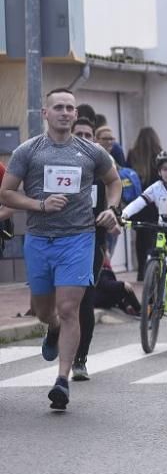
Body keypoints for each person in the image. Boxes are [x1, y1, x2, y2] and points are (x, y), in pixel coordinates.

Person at [0, 88, 121, 410]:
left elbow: (114, 181)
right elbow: (7, 194)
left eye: (70, 107)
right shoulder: (28, 151)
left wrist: (112, 208)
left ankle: (62, 380)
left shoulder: (90, 151)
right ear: (45, 113)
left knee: (69, 308)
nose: (65, 112)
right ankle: (50, 328)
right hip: (39, 239)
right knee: (45, 311)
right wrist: (39, 204)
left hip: (78, 238)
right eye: (59, 108)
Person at [69, 116, 116, 381]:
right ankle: (54, 330)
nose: (85, 140)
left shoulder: (102, 170)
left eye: (89, 135)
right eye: (80, 135)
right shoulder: (56, 165)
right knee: (58, 305)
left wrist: (112, 213)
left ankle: (80, 359)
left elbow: (115, 191)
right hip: (57, 241)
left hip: (91, 243)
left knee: (85, 300)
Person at [121, 149, 167, 294]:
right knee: (153, 250)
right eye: (165, 169)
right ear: (159, 172)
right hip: (163, 227)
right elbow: (139, 202)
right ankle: (152, 286)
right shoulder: (156, 188)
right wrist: (123, 214)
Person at [127, 127, 164, 276]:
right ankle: (156, 270)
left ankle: (143, 272)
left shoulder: (133, 154)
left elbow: (129, 177)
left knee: (141, 239)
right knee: (157, 238)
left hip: (139, 204)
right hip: (156, 204)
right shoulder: (160, 155)